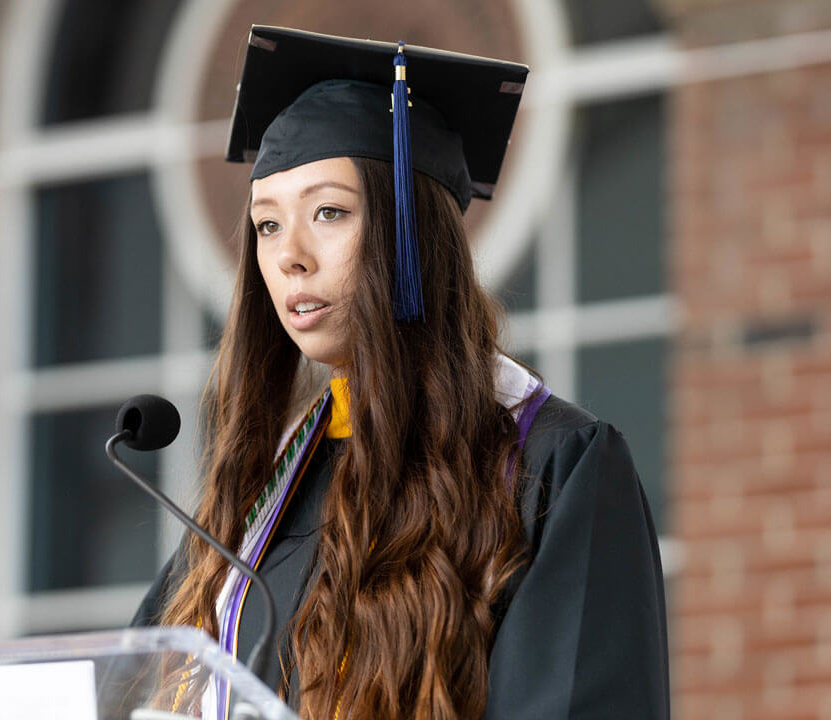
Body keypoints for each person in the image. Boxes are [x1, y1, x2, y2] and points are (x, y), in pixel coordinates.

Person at [131, 26, 669, 720]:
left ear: (413, 236)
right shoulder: (256, 498)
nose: (289, 254)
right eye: (266, 225)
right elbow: (135, 687)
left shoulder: (551, 465)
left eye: (329, 212)